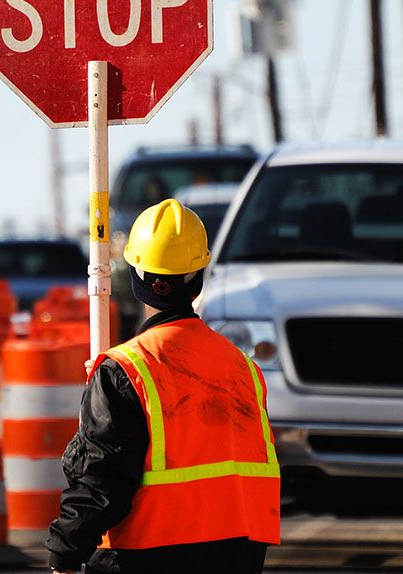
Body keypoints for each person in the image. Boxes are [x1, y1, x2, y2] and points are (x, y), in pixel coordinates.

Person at [47, 199, 281, 574]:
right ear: (199, 276)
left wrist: (65, 551)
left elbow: (102, 479)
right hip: (239, 553)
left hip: (149, 553)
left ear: (137, 278)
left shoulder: (126, 369)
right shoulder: (244, 369)